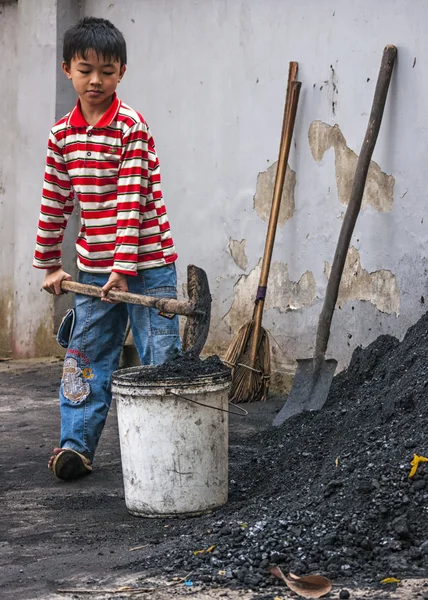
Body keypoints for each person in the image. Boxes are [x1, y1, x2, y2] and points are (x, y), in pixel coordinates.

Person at [33, 17, 181, 481]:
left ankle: (168, 447)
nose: (96, 80)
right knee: (86, 356)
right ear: (67, 70)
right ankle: (75, 447)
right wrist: (50, 263)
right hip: (94, 271)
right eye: (85, 69)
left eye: (108, 71)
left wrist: (123, 267)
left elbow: (133, 199)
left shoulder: (130, 127)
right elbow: (54, 201)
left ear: (122, 73)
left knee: (160, 358)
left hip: (148, 265)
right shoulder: (62, 135)